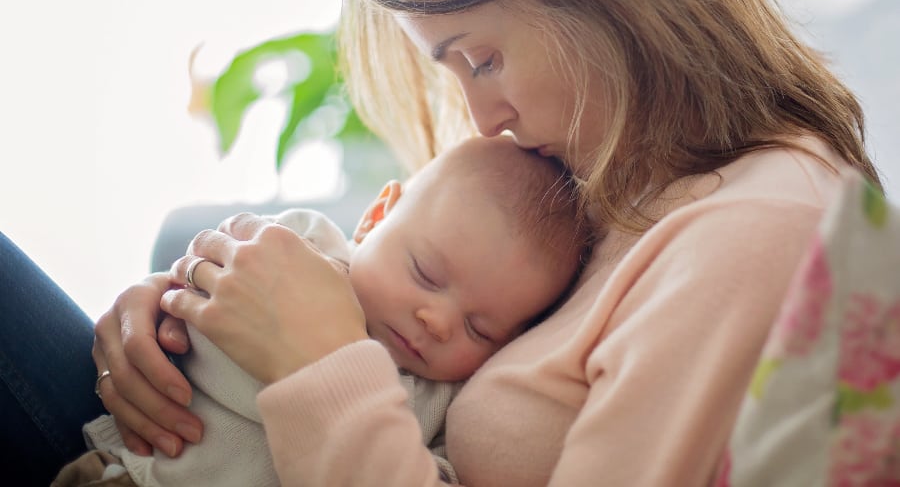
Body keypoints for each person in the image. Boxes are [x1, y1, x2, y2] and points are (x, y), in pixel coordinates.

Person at [0, 0, 886, 486]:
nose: (484, 117)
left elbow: (352, 369)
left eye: (482, 59)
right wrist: (187, 317)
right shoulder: (620, 188)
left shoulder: (764, 233)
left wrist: (319, 369)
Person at [52, 135, 589, 486]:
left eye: (480, 328)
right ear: (376, 217)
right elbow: (197, 271)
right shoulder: (301, 245)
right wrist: (156, 294)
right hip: (126, 471)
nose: (438, 321)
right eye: (425, 274)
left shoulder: (443, 406)